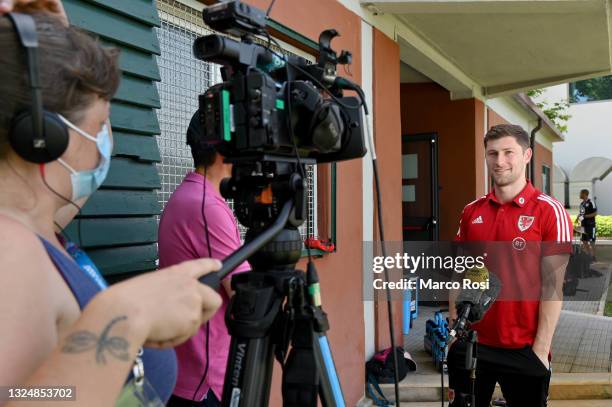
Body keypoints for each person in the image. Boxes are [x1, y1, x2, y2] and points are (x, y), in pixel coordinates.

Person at [0, 8, 222, 406]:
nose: (108, 140)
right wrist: (122, 318)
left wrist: (60, 48)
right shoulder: (9, 252)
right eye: (101, 123)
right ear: (43, 137)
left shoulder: (37, 224)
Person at [448, 124, 571, 407]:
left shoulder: (549, 211)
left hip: (524, 349)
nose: (499, 161)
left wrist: (541, 348)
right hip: (473, 344)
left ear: (527, 155)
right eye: (492, 153)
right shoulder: (471, 211)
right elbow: (460, 274)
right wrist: (456, 329)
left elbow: (554, 286)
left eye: (508, 152)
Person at [159, 112, 250, 407]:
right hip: (205, 379)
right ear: (226, 150)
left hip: (185, 368)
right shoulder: (206, 207)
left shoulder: (188, 195)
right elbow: (244, 294)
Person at [577, 188, 597, 261]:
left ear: (585, 194)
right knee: (584, 241)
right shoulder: (582, 204)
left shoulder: (591, 202)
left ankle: (594, 257)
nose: (579, 195)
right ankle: (588, 256)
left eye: (581, 193)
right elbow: (582, 214)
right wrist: (578, 218)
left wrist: (585, 216)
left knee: (592, 241)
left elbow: (595, 213)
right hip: (583, 225)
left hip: (591, 225)